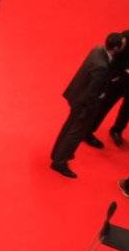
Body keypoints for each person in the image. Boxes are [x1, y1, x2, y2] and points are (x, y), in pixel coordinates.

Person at [53, 32, 123, 177]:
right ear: (116, 48)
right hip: (85, 104)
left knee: (68, 127)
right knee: (75, 133)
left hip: (77, 95)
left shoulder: (97, 49)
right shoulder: (102, 68)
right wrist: (90, 108)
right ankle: (60, 162)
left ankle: (57, 154)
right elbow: (92, 93)